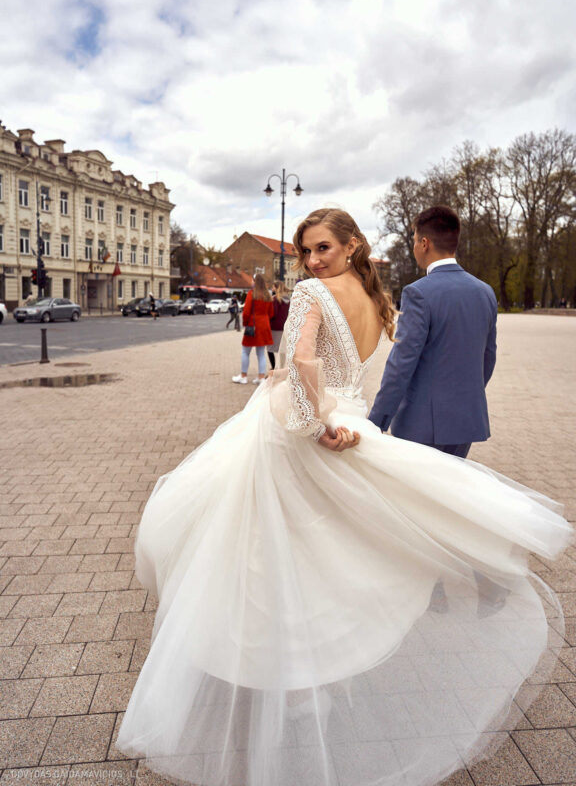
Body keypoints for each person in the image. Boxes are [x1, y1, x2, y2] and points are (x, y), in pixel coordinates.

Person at [117, 208, 571, 786]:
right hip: (353, 419)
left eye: (323, 247)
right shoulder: (376, 299)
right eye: (307, 251)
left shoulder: (311, 293)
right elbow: (365, 365)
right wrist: (347, 418)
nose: (311, 261)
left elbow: (303, 359)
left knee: (270, 549)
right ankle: (323, 672)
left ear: (352, 245)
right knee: (328, 549)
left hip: (306, 431)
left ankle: (289, 676)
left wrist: (311, 424)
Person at [369, 205, 497, 459]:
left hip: (423, 423)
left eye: (415, 240)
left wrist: (377, 421)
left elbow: (401, 363)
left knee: (416, 497)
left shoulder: (418, 293)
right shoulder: (485, 292)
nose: (414, 247)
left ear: (424, 243)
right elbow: (488, 356)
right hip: (466, 419)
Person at [232, 273, 274, 385]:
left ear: (255, 281)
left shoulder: (251, 294)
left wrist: (245, 324)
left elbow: (246, 312)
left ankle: (243, 376)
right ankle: (261, 377)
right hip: (264, 326)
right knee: (261, 353)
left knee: (245, 351)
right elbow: (271, 313)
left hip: (253, 325)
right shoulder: (268, 295)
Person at [268, 280, 291, 370]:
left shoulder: (275, 299)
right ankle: (281, 367)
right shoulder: (288, 300)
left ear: (276, 288)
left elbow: (273, 313)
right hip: (283, 327)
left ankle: (273, 368)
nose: (272, 288)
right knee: (282, 349)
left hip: (274, 327)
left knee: (270, 349)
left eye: (273, 287)